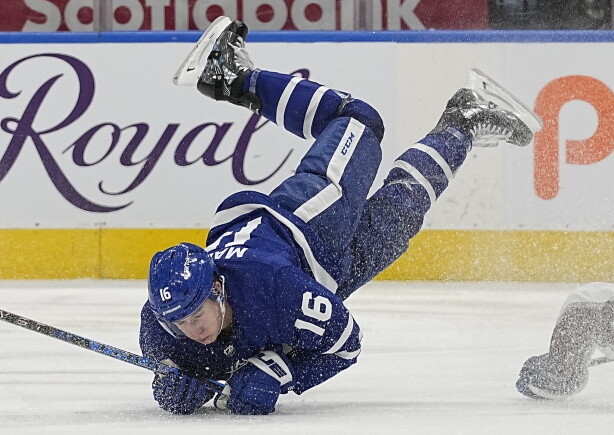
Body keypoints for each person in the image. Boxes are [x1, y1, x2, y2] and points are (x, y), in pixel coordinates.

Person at [139, 15, 537, 415]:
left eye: (196, 314)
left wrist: (280, 373)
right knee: (402, 213)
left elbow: (346, 342)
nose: (191, 329)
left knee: (359, 121)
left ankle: (230, 74)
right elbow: (169, 362)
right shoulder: (161, 331)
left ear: (218, 289)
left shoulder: (275, 287)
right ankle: (463, 122)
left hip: (307, 220)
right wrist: (168, 380)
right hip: (321, 272)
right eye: (180, 323)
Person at [517, 282, 614, 399]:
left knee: (566, 378)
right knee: (566, 380)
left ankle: (551, 369)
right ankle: (547, 370)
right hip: (582, 306)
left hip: (594, 304)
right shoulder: (584, 313)